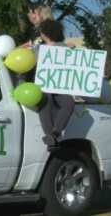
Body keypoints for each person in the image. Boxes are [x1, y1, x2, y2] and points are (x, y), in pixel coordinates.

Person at [36, 19, 75, 151]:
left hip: (59, 89)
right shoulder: (38, 49)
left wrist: (73, 52)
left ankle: (54, 134)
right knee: (44, 99)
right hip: (44, 88)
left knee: (69, 100)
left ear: (45, 33)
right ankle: (49, 137)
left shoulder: (66, 47)